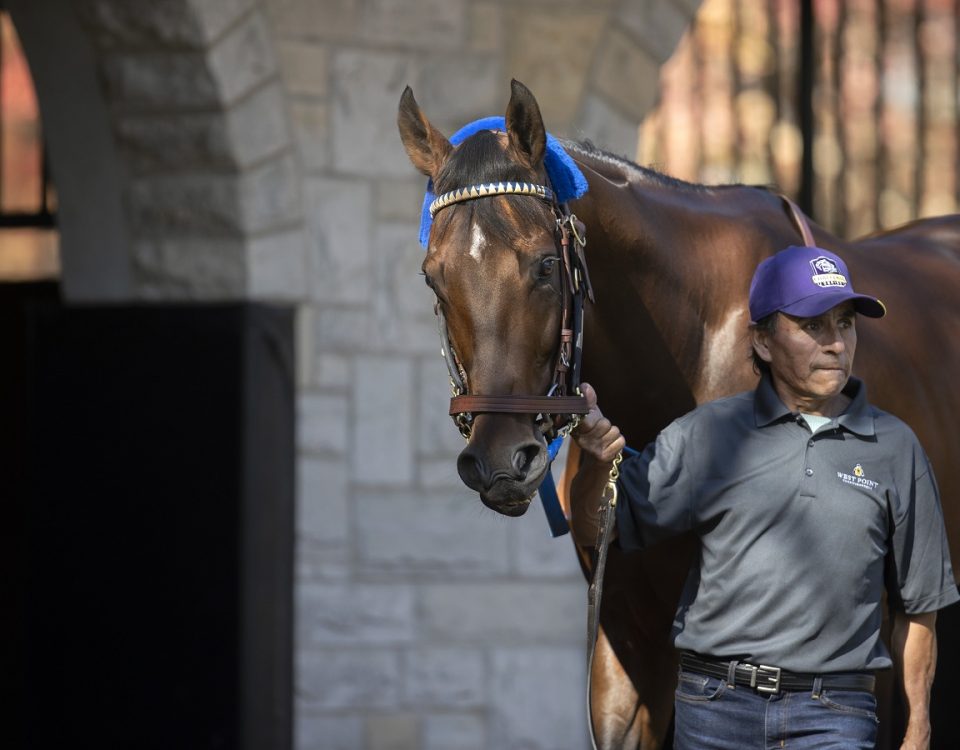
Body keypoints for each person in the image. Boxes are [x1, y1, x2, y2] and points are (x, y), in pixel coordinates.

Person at [570, 245, 959, 750]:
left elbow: (919, 605)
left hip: (836, 717)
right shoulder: (709, 435)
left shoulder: (897, 449)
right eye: (813, 325)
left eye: (845, 323)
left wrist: (919, 727)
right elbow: (598, 529)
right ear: (764, 341)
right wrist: (598, 464)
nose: (837, 344)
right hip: (715, 711)